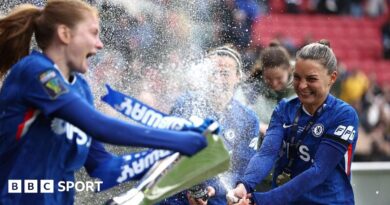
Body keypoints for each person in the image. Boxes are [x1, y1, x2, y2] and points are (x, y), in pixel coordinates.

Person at [0, 1, 215, 204]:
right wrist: (176, 138)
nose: (99, 44)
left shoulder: (81, 88)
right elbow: (99, 125)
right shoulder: (35, 72)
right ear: (65, 34)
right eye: (93, 33)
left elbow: (104, 166)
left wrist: (161, 161)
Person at [228, 40, 359, 205]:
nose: (302, 85)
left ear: (332, 77)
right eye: (297, 77)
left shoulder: (344, 116)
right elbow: (267, 153)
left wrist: (260, 200)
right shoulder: (284, 109)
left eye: (311, 79)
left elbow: (318, 172)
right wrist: (245, 185)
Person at [157, 45, 260, 205]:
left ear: (238, 77)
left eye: (225, 73)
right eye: (212, 72)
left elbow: (242, 171)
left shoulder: (248, 119)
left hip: (218, 199)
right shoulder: (185, 103)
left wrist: (214, 188)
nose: (217, 79)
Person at [237, 41, 295, 135]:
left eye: (279, 78)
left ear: (288, 69)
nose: (274, 83)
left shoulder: (300, 87)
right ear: (262, 72)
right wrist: (258, 125)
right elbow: (239, 114)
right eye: (268, 79)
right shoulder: (251, 88)